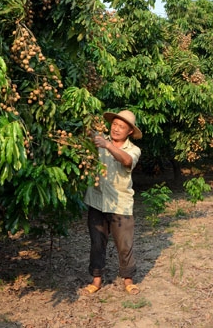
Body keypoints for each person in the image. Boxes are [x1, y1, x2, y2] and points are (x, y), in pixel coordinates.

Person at [83, 109, 143, 295]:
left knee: (124, 244)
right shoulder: (99, 139)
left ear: (129, 132)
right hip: (97, 201)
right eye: (115, 124)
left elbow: (126, 161)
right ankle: (96, 279)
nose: (116, 129)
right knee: (97, 243)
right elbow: (83, 132)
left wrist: (107, 145)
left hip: (120, 204)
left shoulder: (133, 150)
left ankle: (128, 279)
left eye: (121, 127)